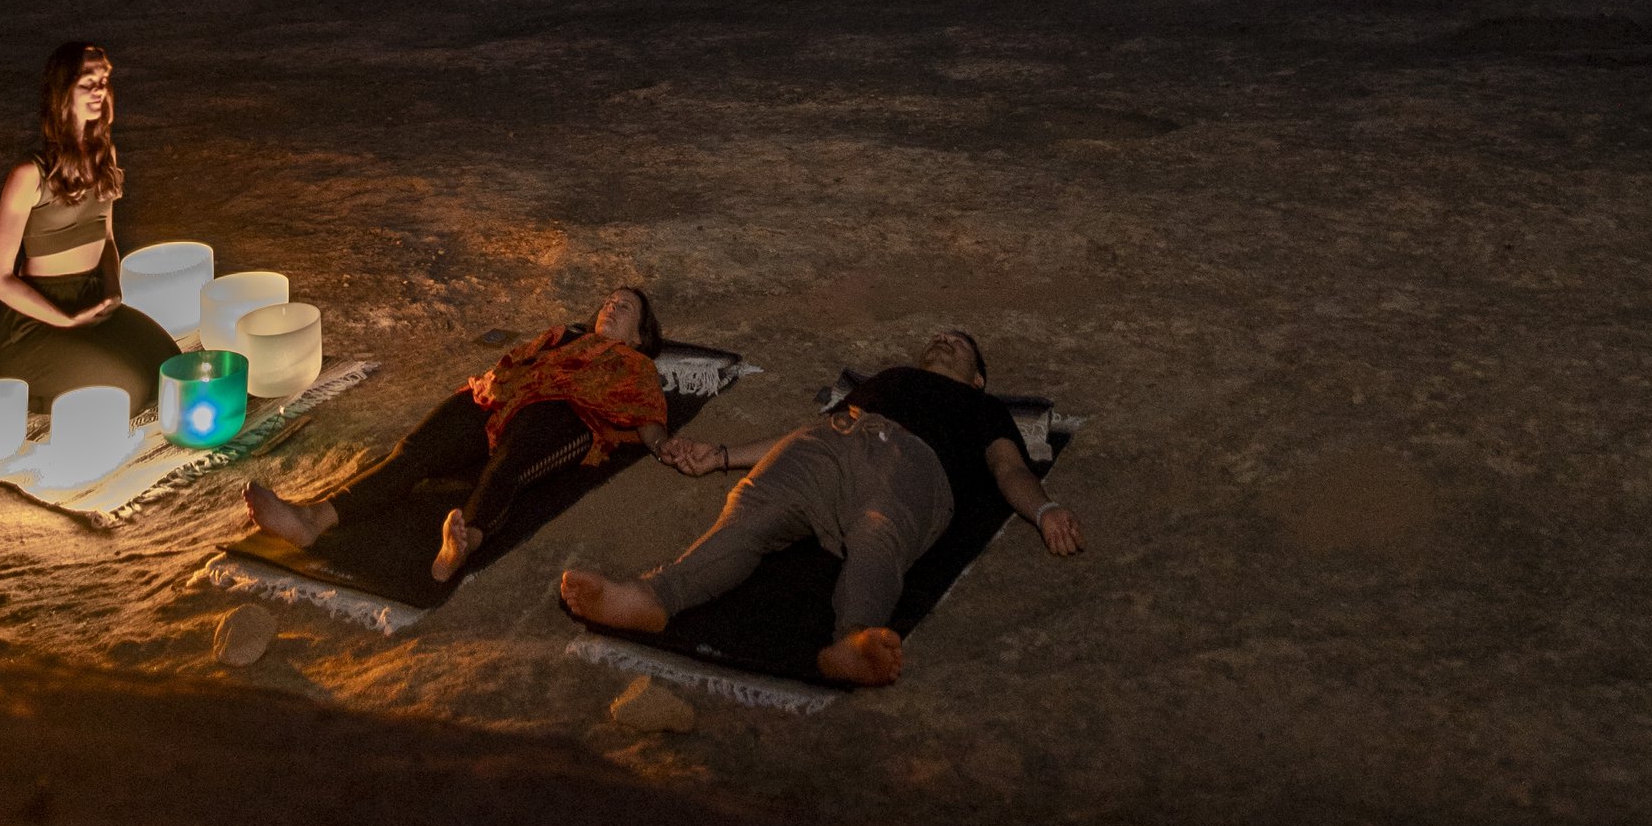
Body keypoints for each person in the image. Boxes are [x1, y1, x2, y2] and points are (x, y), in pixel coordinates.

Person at [559, 326, 1082, 685]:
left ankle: (853, 643)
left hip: (912, 464)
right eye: (940, 337)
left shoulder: (983, 407)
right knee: (751, 509)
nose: (944, 340)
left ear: (978, 379)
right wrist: (722, 457)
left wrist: (1044, 510)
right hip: (829, 442)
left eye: (960, 343)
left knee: (878, 534)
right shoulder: (892, 376)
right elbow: (801, 433)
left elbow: (1009, 469)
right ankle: (652, 599)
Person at [248, 285, 670, 583]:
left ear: (638, 335)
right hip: (500, 397)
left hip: (568, 410)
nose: (612, 307)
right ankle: (314, 518)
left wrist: (663, 445)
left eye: (626, 307)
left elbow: (647, 410)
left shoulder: (633, 364)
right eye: (609, 302)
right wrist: (487, 387)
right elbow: (515, 361)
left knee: (509, 465)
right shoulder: (563, 336)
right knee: (414, 451)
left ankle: (462, 544)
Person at [0, 37, 172, 415]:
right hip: (38, 321)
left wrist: (113, 292)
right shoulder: (28, 174)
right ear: (63, 90)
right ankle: (29, 397)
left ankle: (84, 362)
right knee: (126, 389)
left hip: (92, 301)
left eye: (104, 79)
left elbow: (108, 239)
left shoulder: (105, 157)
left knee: (169, 366)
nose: (100, 89)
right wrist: (65, 320)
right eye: (88, 80)